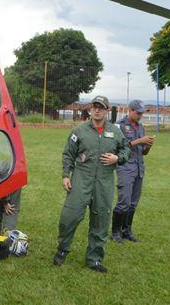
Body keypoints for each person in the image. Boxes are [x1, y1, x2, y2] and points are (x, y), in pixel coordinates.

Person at [53, 95, 129, 273]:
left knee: (101, 219)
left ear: (107, 110)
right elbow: (68, 154)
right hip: (81, 178)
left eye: (101, 107)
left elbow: (126, 148)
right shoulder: (79, 131)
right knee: (69, 216)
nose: (97, 110)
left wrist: (118, 158)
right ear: (90, 109)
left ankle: (94, 258)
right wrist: (66, 175)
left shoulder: (115, 132)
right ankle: (62, 250)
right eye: (94, 106)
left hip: (104, 181)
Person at [112, 99, 154, 243]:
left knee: (133, 203)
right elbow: (118, 147)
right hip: (125, 167)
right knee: (124, 201)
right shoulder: (120, 126)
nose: (140, 115)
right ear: (130, 110)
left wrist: (148, 145)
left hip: (138, 168)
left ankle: (126, 230)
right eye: (138, 112)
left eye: (142, 113)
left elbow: (143, 152)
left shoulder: (140, 127)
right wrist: (140, 141)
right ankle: (115, 232)